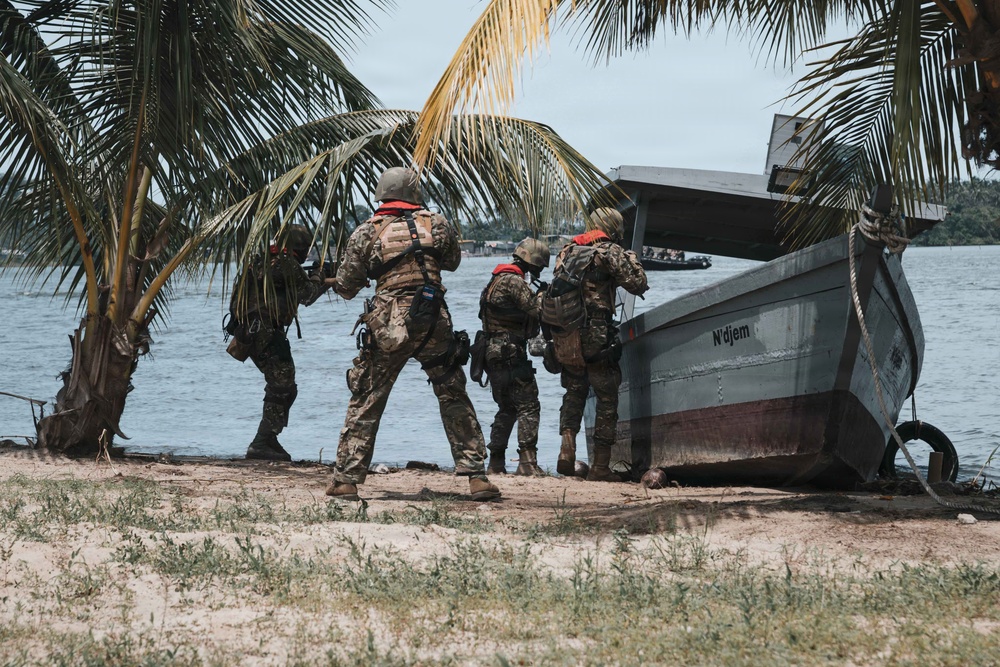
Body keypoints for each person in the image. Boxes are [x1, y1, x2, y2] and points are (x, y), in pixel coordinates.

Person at [326, 166, 500, 501]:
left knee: (368, 396)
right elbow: (451, 262)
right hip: (434, 317)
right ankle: (477, 477)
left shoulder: (366, 231)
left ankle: (346, 480)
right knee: (452, 393)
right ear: (414, 194)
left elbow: (347, 287)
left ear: (382, 193)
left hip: (389, 323)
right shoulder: (436, 224)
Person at [547, 208, 648, 481]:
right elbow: (638, 284)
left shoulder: (567, 252)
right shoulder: (609, 251)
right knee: (606, 396)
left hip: (567, 335)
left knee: (574, 391)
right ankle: (601, 467)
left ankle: (566, 450)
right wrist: (631, 258)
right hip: (596, 333)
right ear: (613, 228)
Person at [226, 224, 336, 461]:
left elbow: (294, 292)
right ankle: (262, 441)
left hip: (252, 331)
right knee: (282, 386)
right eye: (306, 249)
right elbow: (307, 295)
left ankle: (269, 438)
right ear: (299, 247)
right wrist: (321, 276)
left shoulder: (263, 261)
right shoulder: (286, 264)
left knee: (285, 386)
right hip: (264, 331)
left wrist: (321, 279)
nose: (307, 253)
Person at [479, 237, 550, 476]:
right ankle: (527, 462)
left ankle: (496, 462)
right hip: (510, 351)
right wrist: (543, 294)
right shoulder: (513, 281)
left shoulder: (495, 280)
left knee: (507, 407)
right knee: (529, 405)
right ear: (532, 261)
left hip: (492, 352)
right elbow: (537, 310)